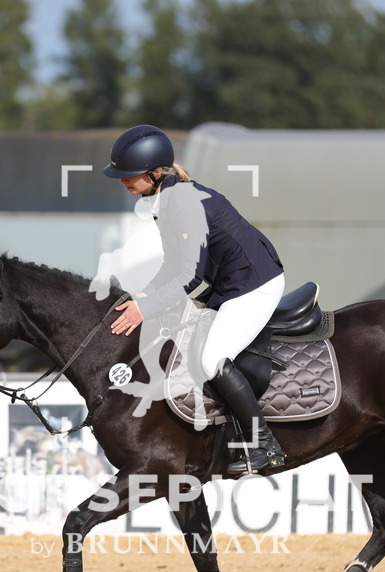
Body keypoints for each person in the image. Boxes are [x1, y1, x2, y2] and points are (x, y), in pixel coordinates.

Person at [103, 124, 287, 475]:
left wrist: (148, 307)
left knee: (213, 357)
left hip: (254, 284)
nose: (122, 180)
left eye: (130, 174)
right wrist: (144, 294)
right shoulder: (165, 199)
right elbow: (174, 264)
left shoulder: (184, 204)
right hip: (228, 284)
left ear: (155, 172)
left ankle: (265, 445)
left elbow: (190, 277)